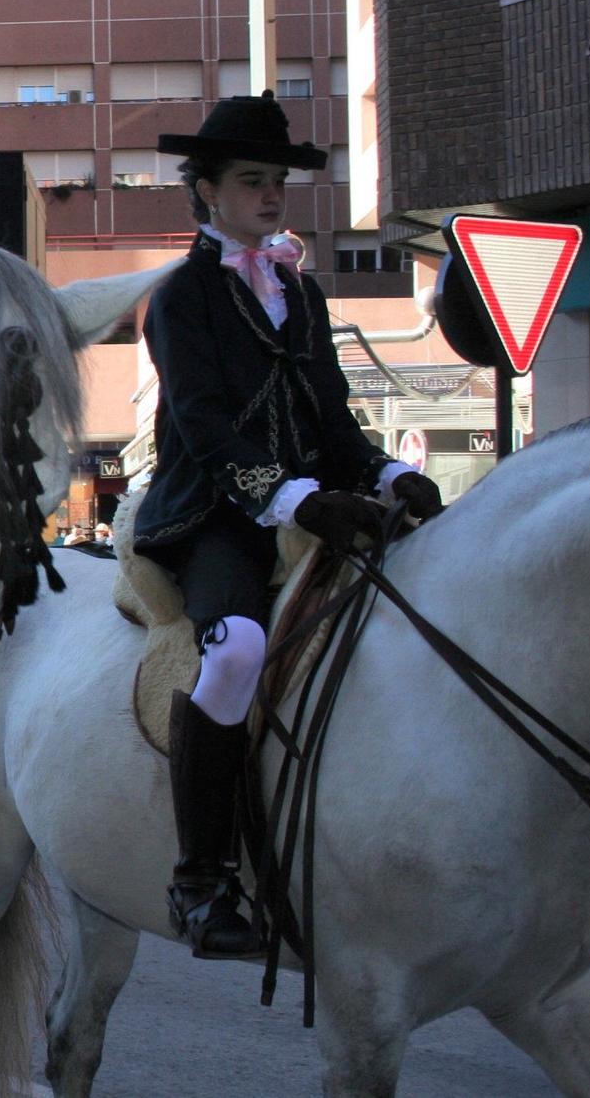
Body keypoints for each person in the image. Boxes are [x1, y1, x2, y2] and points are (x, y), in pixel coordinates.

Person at [131, 92, 444, 960]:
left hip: (309, 505)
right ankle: (199, 878)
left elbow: (333, 419)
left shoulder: (298, 296)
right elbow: (202, 424)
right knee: (233, 649)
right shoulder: (180, 297)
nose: (270, 196)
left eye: (277, 182)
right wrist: (292, 497)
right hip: (211, 512)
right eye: (251, 181)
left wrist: (392, 474)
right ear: (207, 191)